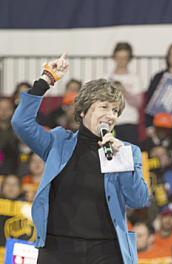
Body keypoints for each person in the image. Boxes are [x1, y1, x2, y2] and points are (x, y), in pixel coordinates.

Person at [11, 54, 149, 263]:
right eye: (104, 107)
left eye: (115, 110)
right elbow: (21, 123)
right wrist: (46, 79)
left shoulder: (127, 152)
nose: (110, 115)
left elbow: (138, 200)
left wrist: (123, 162)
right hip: (58, 250)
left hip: (107, 251)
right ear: (83, 111)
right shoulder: (59, 142)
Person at [108, 42, 144, 144]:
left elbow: (138, 103)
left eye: (125, 58)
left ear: (129, 59)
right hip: (110, 122)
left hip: (130, 122)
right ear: (114, 57)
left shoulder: (135, 78)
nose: (122, 61)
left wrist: (124, 91)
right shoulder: (107, 78)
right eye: (119, 57)